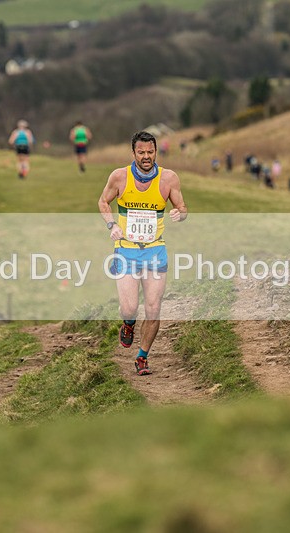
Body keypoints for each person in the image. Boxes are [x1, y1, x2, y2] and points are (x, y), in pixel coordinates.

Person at [98, 131, 187, 376]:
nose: (146, 157)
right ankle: (128, 323)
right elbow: (103, 202)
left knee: (153, 307)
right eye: (141, 152)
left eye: (150, 152)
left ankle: (142, 356)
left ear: (156, 152)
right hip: (126, 252)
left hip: (155, 251)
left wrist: (180, 213)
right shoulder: (119, 177)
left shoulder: (168, 178)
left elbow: (182, 206)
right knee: (129, 308)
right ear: (133, 153)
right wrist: (111, 225)